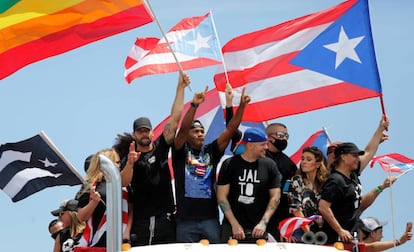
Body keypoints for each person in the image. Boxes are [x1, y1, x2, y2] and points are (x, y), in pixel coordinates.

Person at [118, 72, 190, 246]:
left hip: (166, 218)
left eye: (146, 130)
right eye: (140, 131)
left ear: (151, 132)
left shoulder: (161, 147)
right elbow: (122, 181)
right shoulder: (129, 156)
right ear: (134, 135)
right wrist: (130, 163)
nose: (144, 133)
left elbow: (175, 119)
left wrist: (180, 88)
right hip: (143, 222)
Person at [171, 85, 250, 243]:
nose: (200, 134)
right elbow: (183, 129)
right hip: (185, 220)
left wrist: (241, 106)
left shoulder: (212, 151)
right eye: (196, 131)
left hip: (210, 219)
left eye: (202, 131)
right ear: (188, 136)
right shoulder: (180, 151)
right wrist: (194, 105)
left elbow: (230, 129)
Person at [217, 127, 282, 243]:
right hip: (232, 229)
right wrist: (234, 224)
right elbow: (221, 197)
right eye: (263, 145)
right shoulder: (229, 164)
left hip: (260, 229)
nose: (266, 148)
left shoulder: (270, 165)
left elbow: (275, 197)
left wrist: (263, 223)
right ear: (250, 145)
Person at [76, 148, 124, 248]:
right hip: (99, 243)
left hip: (124, 240)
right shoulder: (90, 186)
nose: (119, 166)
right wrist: (93, 202)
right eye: (116, 162)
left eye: (119, 163)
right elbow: (80, 217)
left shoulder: (124, 184)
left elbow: (131, 210)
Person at [285, 146, 329, 242]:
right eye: (303, 159)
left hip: (321, 232)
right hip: (301, 232)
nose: (304, 162)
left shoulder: (325, 184)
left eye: (308, 159)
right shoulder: (297, 180)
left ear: (317, 164)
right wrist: (309, 234)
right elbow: (296, 210)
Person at [265, 122, 298, 241]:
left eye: (286, 136)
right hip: (253, 218)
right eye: (280, 135)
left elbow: (290, 199)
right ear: (269, 137)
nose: (284, 138)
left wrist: (288, 229)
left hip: (278, 221)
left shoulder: (290, 165)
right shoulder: (257, 156)